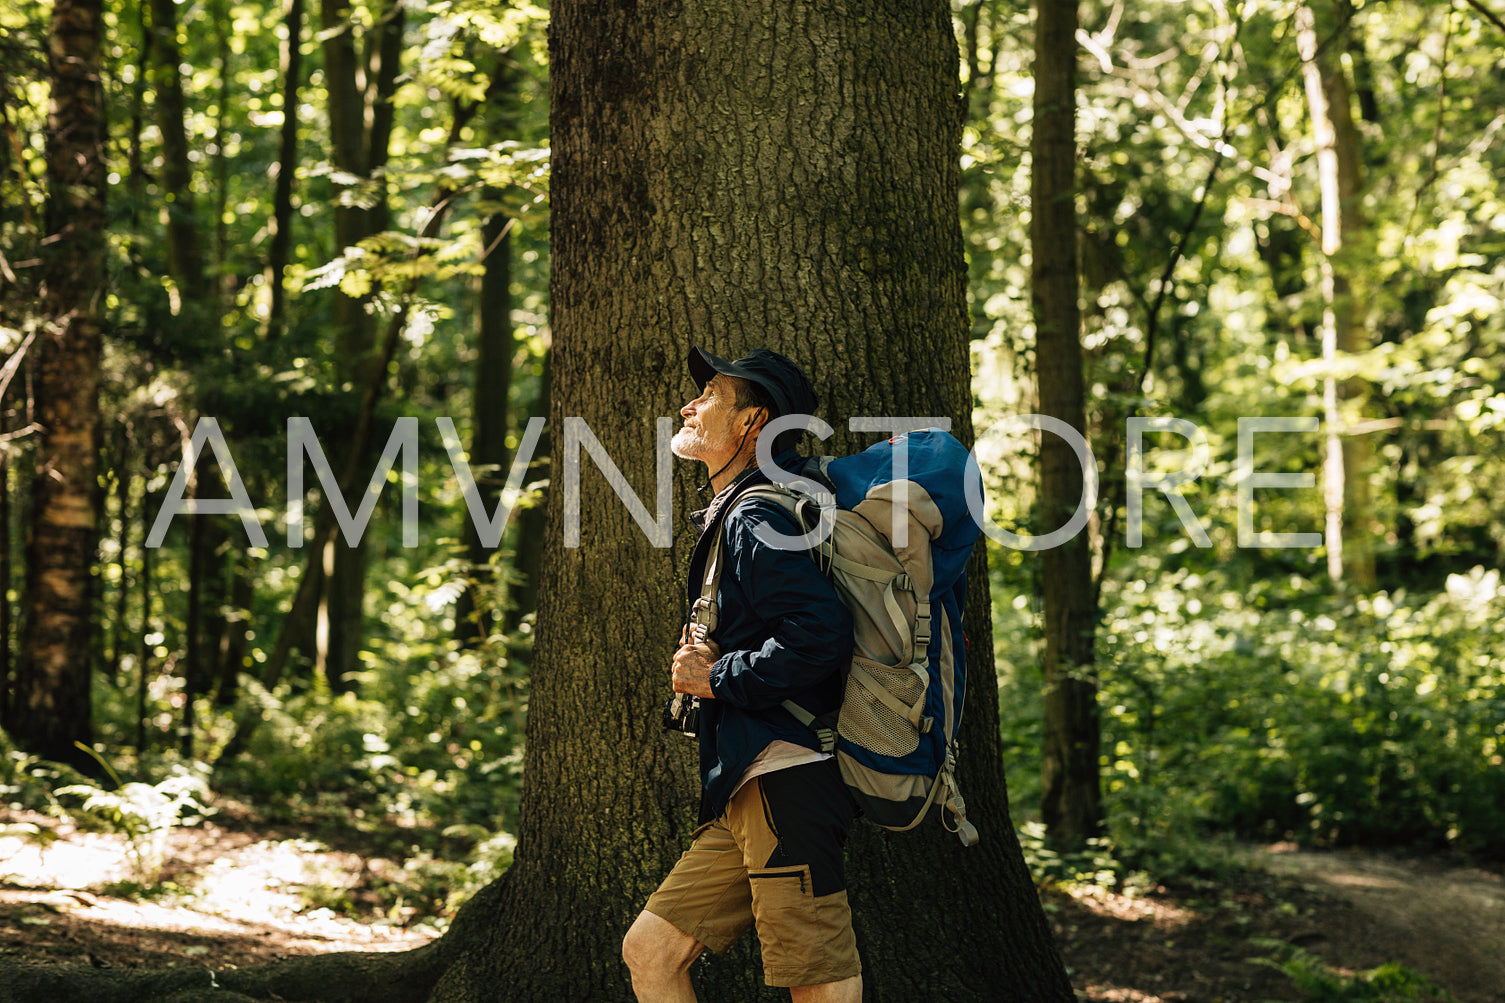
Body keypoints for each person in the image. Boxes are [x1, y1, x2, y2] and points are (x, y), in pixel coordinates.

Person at [622, 347, 862, 1002]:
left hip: (788, 776)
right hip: (748, 781)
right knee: (650, 948)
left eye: (709, 394)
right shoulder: (743, 509)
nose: (687, 404)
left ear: (752, 422)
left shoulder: (756, 515)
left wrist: (716, 677)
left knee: (815, 976)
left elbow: (821, 637)